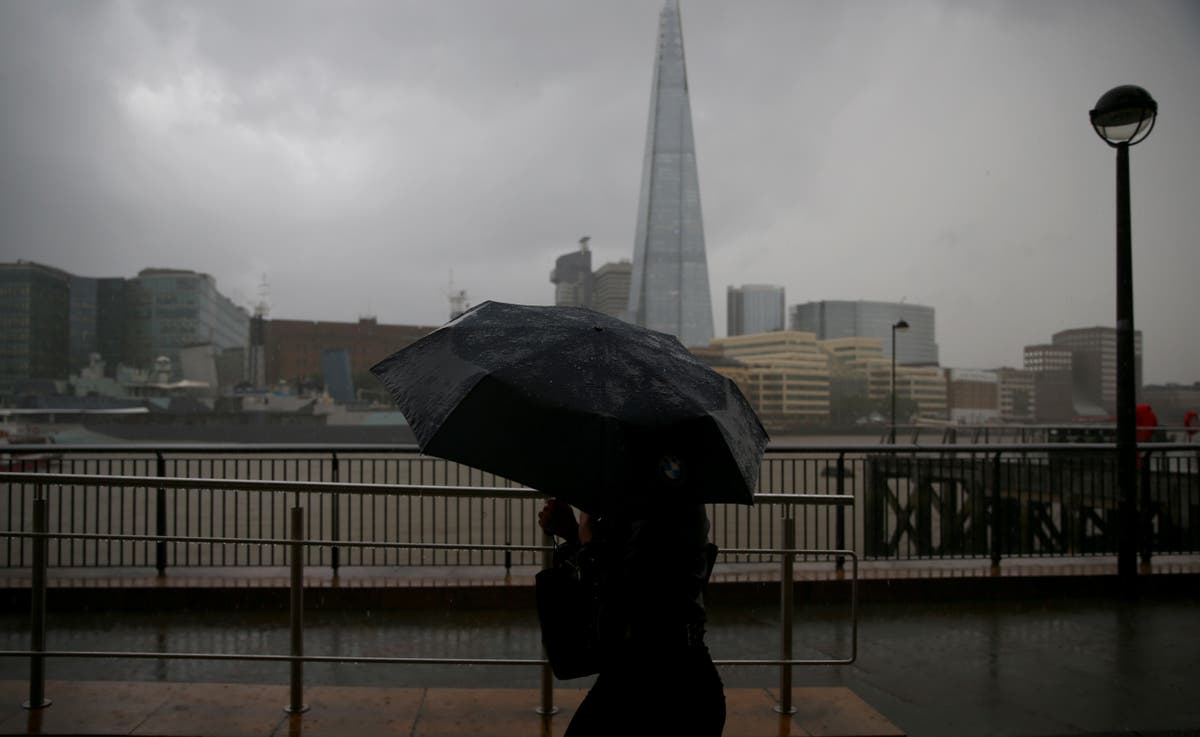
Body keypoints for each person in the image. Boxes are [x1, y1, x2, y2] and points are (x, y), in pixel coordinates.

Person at [537, 491, 725, 737]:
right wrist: (577, 535)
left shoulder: (658, 506)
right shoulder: (674, 494)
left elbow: (624, 598)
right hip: (684, 675)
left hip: (646, 680)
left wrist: (585, 537)